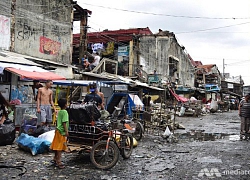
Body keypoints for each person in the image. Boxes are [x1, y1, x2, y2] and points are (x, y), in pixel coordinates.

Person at [50, 98, 69, 169]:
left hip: (57, 130)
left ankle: (55, 158)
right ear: (65, 105)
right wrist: (66, 131)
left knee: (57, 145)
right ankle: (59, 161)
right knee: (59, 147)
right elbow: (64, 122)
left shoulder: (60, 111)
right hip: (61, 131)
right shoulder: (65, 112)